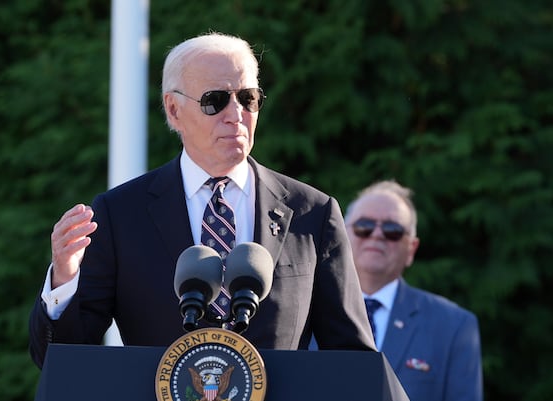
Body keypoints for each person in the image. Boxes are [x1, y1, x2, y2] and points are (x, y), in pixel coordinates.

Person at [28, 32, 376, 368]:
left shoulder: (311, 212)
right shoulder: (121, 215)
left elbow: (352, 359)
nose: (236, 114)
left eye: (248, 98)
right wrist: (64, 279)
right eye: (215, 100)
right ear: (174, 109)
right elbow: (62, 359)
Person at [342, 180, 483, 401]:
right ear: (343, 236)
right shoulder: (307, 315)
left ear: (411, 249)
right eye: (364, 226)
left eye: (393, 230)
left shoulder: (454, 326)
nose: (377, 235)